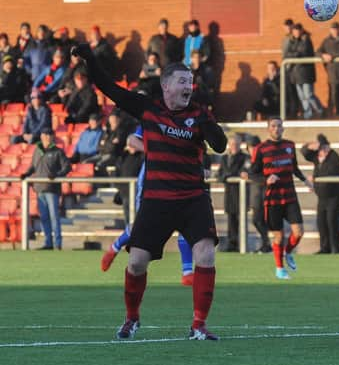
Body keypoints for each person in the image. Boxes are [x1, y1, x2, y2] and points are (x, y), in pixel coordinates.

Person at [73, 42, 227, 341]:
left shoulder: (199, 114)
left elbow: (219, 145)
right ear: (166, 85)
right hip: (156, 200)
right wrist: (90, 57)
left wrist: (212, 129)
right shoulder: (148, 108)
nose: (188, 86)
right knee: (137, 262)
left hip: (193, 198)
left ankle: (199, 325)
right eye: (183, 81)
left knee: (206, 255)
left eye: (190, 82)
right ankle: (132, 319)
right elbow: (108, 87)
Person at [100, 126, 196, 287]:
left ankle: (187, 272)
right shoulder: (153, 115)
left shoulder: (188, 120)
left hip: (178, 178)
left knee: (185, 223)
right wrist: (156, 151)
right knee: (141, 227)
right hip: (151, 182)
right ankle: (115, 247)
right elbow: (132, 139)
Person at [250, 116, 313, 279]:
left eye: (279, 126)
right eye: (273, 126)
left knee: (298, 232)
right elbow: (252, 174)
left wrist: (306, 180)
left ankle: (288, 252)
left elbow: (295, 168)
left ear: (283, 128)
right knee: (278, 235)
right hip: (272, 199)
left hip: (290, 195)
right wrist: (266, 180)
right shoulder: (261, 149)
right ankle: (280, 269)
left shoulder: (289, 145)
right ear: (268, 129)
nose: (277, 128)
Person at [20, 127, 71, 250]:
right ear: (41, 136)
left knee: (54, 216)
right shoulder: (37, 150)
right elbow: (33, 166)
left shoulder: (58, 152)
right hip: (40, 189)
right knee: (44, 217)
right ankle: (48, 242)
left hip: (52, 189)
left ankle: (57, 243)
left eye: (49, 134)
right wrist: (26, 174)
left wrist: (57, 175)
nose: (47, 137)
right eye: (44, 134)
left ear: (52, 137)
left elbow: (67, 167)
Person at [301, 134, 339, 254]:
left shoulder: (334, 157)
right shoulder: (317, 157)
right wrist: (309, 145)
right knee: (321, 221)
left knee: (332, 221)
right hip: (322, 195)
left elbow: (331, 172)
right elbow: (304, 152)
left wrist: (315, 178)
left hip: (334, 195)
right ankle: (325, 248)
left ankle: (337, 249)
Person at [217, 135, 250, 252]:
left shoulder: (245, 157)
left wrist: (227, 175)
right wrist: (226, 176)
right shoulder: (224, 158)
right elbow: (219, 174)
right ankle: (232, 244)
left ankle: (240, 244)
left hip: (241, 193)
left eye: (236, 144)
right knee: (231, 218)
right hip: (229, 193)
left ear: (240, 144)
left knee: (240, 218)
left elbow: (243, 171)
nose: (234, 146)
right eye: (232, 144)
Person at [285, 23, 323, 119]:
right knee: (302, 97)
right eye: (294, 31)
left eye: (297, 30)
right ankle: (308, 114)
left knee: (309, 95)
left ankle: (319, 110)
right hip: (296, 73)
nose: (296, 32)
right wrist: (294, 54)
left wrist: (293, 54)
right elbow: (287, 53)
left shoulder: (306, 40)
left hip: (306, 73)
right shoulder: (291, 41)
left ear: (301, 31)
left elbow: (302, 53)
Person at [317, 22, 339, 118]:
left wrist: (331, 56)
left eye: (336, 29)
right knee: (334, 96)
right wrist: (323, 55)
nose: (335, 31)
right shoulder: (326, 41)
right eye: (333, 29)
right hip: (332, 74)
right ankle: (337, 115)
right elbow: (318, 51)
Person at [246, 135, 270, 253]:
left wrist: (249, 176)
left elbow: (264, 176)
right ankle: (266, 244)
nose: (252, 150)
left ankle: (266, 245)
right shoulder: (247, 160)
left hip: (263, 194)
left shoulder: (263, 160)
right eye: (250, 147)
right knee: (257, 220)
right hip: (254, 195)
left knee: (260, 220)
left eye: (254, 147)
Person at [281, 19, 300, 118]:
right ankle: (290, 113)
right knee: (288, 92)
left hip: (293, 69)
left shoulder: (294, 38)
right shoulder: (286, 39)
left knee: (294, 93)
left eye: (289, 27)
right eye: (286, 27)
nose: (287, 29)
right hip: (286, 68)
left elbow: (294, 52)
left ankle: (294, 113)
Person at [201, 21, 225, 101]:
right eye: (214, 28)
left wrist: (221, 66)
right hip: (207, 68)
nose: (215, 30)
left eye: (216, 29)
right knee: (207, 88)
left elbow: (221, 54)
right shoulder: (205, 39)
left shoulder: (219, 40)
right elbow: (202, 52)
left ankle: (215, 109)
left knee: (216, 89)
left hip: (217, 68)